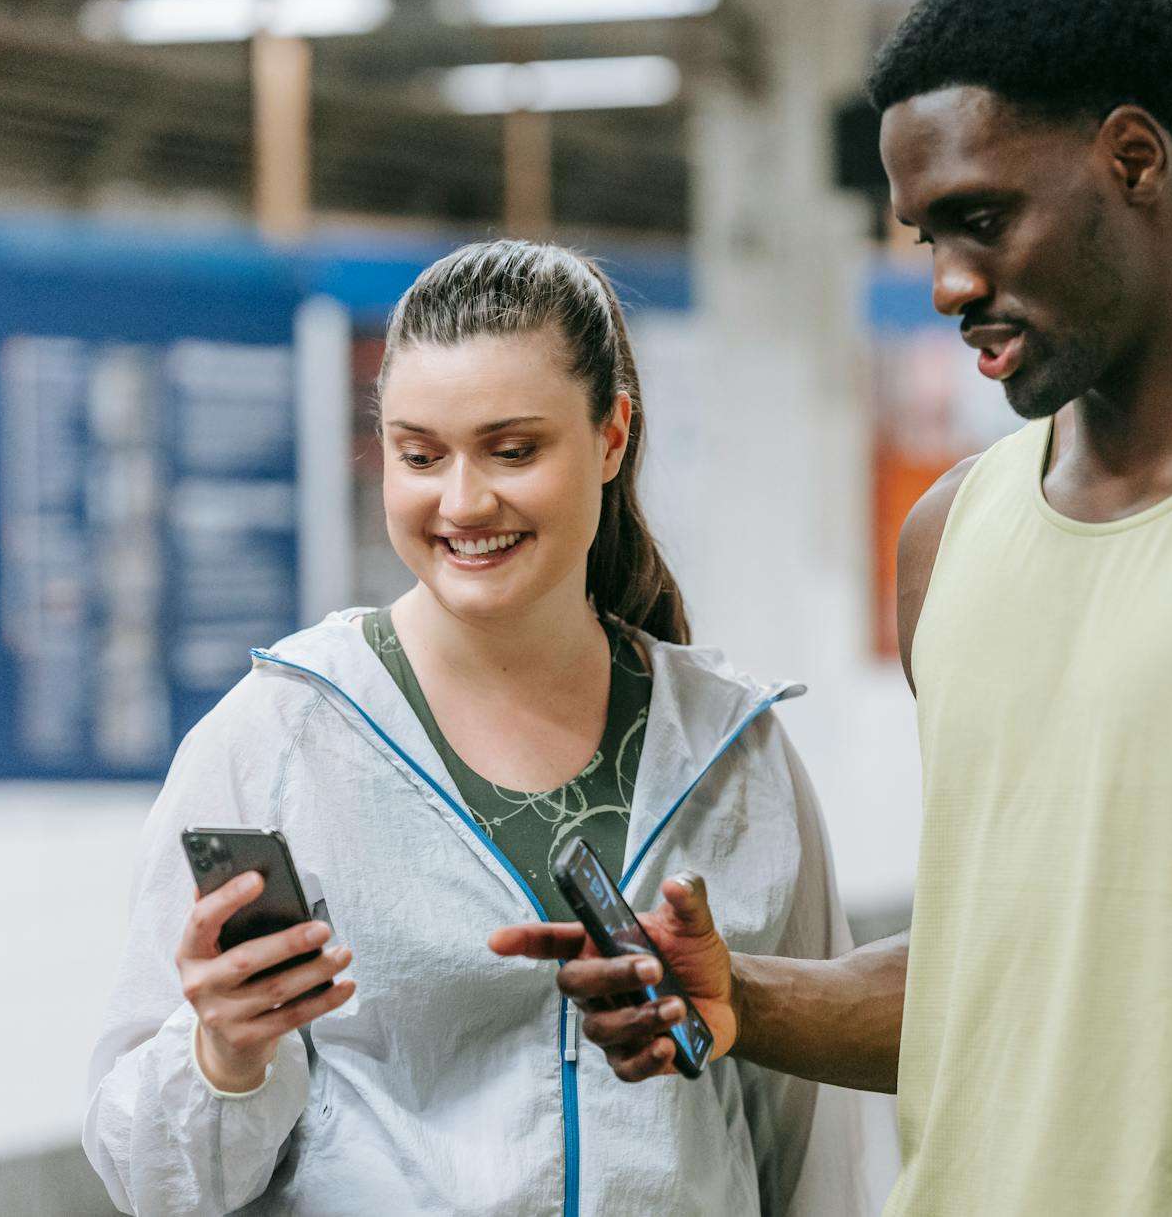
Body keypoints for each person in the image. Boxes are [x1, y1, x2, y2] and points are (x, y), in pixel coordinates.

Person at [492, 0, 1172, 1213]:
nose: (945, 282)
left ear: (1135, 161)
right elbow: (1008, 973)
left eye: (981, 220)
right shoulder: (951, 535)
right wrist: (741, 993)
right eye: (925, 235)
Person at [83, 240, 864, 1216]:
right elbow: (149, 1176)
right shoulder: (279, 737)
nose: (460, 502)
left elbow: (807, 1143)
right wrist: (225, 1053)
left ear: (611, 436)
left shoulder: (732, 750)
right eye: (419, 454)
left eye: (513, 449)